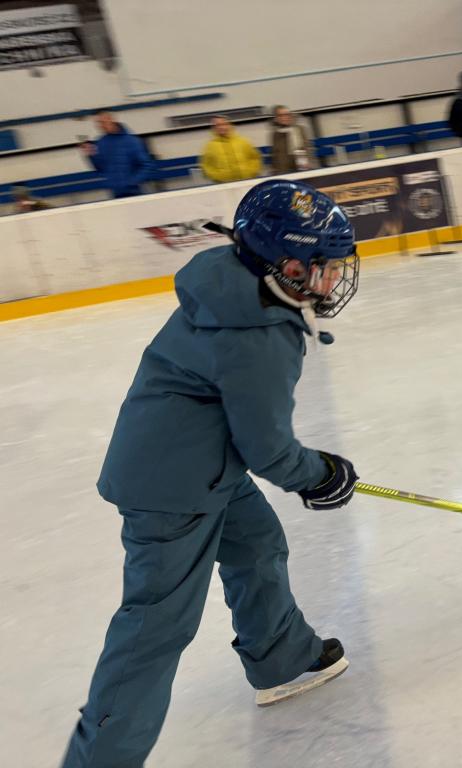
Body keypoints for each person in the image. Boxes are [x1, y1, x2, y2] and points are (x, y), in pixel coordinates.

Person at [60, 179, 361, 767]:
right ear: (289, 267)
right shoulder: (260, 335)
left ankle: (279, 658)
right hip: (173, 488)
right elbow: (269, 450)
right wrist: (320, 474)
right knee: (154, 627)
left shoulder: (235, 281)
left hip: (201, 463)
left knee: (257, 544)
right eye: (325, 268)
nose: (333, 280)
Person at [79, 111, 154, 198]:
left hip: (135, 191)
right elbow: (100, 168)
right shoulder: (101, 143)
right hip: (115, 193)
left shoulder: (132, 141)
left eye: (102, 122)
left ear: (111, 120)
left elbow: (146, 165)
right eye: (98, 123)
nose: (100, 126)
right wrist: (91, 155)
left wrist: (133, 182)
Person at [200, 116, 263, 183]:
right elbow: (206, 166)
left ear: (229, 125)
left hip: (247, 182)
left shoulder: (243, 142)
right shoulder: (209, 147)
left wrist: (252, 172)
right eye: (217, 125)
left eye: (224, 124)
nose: (221, 127)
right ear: (213, 128)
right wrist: (218, 176)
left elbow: (255, 158)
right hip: (224, 185)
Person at [269, 105, 316, 174]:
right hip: (284, 170)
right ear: (276, 118)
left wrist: (307, 163)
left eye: (286, 114)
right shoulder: (275, 134)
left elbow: (306, 148)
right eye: (280, 115)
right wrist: (275, 170)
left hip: (302, 166)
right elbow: (276, 155)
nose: (284, 117)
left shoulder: (299, 129)